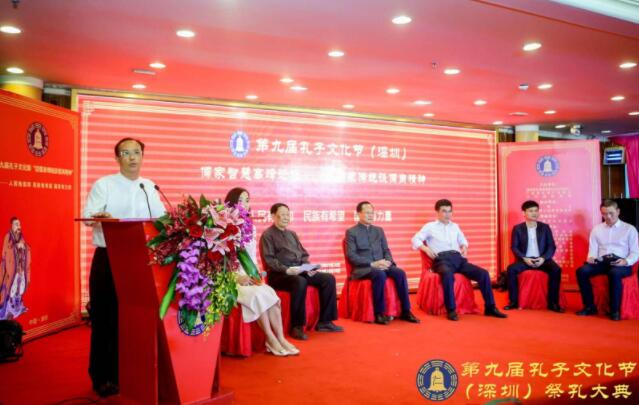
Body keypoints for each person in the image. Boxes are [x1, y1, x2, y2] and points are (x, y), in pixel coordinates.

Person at [82, 137, 165, 397]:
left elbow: (161, 220)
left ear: (142, 156)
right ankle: (103, 377)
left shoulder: (149, 186)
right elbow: (89, 216)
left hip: (141, 261)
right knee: (106, 318)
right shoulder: (104, 184)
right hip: (109, 259)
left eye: (136, 152)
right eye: (126, 153)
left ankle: (133, 371)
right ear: (117, 158)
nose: (132, 157)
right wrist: (101, 217)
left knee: (136, 319)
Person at [224, 188, 299, 356]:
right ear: (231, 202)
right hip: (233, 277)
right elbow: (221, 260)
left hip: (249, 274)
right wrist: (237, 277)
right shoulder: (222, 226)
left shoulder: (250, 227)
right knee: (258, 296)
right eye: (240, 200)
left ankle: (281, 338)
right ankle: (270, 339)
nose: (245, 204)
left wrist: (256, 273)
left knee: (271, 294)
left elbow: (251, 256)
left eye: (247, 200)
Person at [411, 199, 507, 321]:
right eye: (444, 211)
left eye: (449, 211)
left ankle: (490, 307)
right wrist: (425, 248)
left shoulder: (455, 226)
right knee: (447, 274)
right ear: (437, 212)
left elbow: (463, 240)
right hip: (442, 260)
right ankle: (451, 309)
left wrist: (464, 247)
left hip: (458, 259)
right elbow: (415, 239)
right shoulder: (430, 227)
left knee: (483, 274)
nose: (447, 214)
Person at [260, 203, 343, 340]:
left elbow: (303, 254)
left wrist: (307, 267)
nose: (286, 217)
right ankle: (297, 326)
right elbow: (269, 260)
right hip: (280, 274)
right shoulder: (267, 235)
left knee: (328, 278)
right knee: (300, 281)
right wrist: (287, 270)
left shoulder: (292, 234)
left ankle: (325, 321)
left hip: (299, 270)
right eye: (282, 214)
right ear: (273, 216)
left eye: (288, 214)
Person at [345, 201, 420, 325]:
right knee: (380, 274)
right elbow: (351, 255)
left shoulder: (379, 230)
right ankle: (378, 313)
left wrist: (388, 262)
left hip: (382, 264)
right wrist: (372, 263)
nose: (370, 215)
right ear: (358, 214)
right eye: (367, 213)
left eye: (372, 213)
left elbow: (386, 250)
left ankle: (406, 311)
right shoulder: (351, 232)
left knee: (400, 273)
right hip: (365, 268)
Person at [576, 199, 639, 321]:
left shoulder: (629, 229)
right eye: (604, 214)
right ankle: (589, 307)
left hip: (621, 263)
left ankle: (615, 311)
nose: (608, 217)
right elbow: (593, 250)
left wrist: (626, 261)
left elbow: (635, 252)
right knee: (581, 271)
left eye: (611, 213)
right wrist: (591, 258)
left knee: (614, 273)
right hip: (602, 262)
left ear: (618, 211)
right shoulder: (597, 229)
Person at [504, 200, 563, 312]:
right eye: (531, 211)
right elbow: (514, 247)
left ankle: (553, 303)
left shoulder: (545, 227)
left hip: (542, 259)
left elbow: (551, 246)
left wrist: (543, 258)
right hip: (525, 259)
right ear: (524, 213)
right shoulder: (518, 228)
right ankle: (513, 302)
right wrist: (524, 258)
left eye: (536, 211)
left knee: (556, 270)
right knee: (511, 269)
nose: (534, 213)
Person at [0, 217, 31, 320]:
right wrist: (16, 247)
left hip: (20, 271)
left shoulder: (21, 237)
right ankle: (6, 312)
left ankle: (17, 308)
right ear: (12, 226)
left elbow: (26, 248)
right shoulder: (8, 237)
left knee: (19, 291)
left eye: (19, 224)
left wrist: (24, 247)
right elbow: (5, 253)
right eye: (16, 224)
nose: (19, 227)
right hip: (10, 270)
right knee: (9, 291)